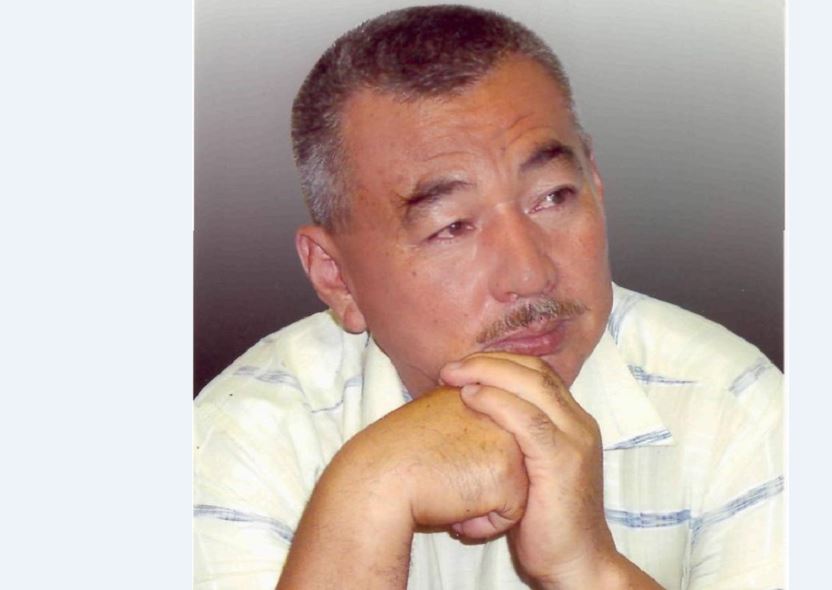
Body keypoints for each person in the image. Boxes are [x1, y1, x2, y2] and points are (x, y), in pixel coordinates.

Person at [193, 5, 783, 589]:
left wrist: (588, 570)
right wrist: (370, 490)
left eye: (552, 197)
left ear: (596, 183)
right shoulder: (235, 441)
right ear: (337, 278)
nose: (530, 274)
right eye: (452, 227)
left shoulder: (735, 406)